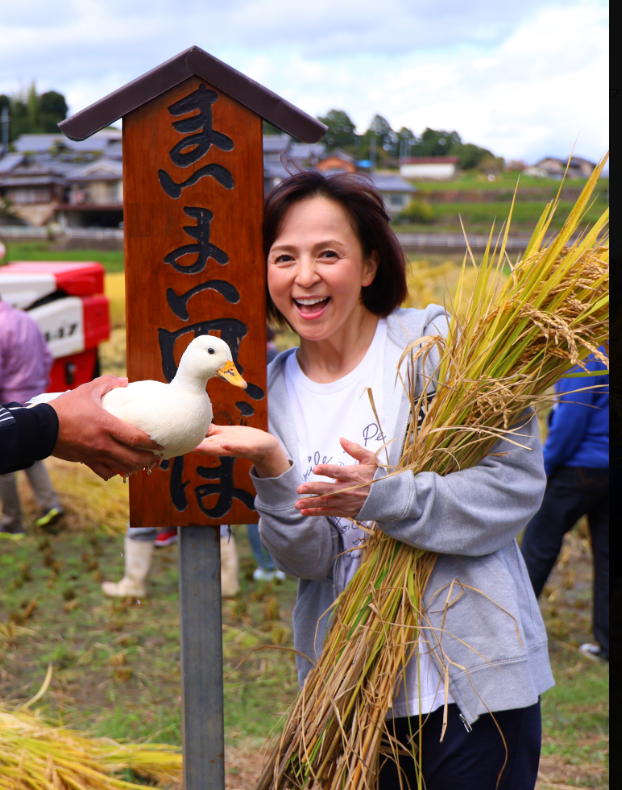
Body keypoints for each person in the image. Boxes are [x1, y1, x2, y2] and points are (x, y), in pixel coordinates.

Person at [195, 171, 552, 789]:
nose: (304, 276)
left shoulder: (436, 350)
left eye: (328, 253)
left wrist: (382, 496)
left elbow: (514, 489)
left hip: (474, 690)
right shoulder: (267, 396)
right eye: (284, 258)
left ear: (368, 267)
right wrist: (276, 473)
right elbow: (307, 562)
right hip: (351, 700)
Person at [521, 350, 609, 662]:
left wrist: (544, 467)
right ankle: (608, 644)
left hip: (578, 468)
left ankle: (513, 631)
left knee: (537, 546)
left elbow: (571, 420)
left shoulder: (587, 354)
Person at [1, 375, 162, 478]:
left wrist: (47, 424)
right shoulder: (31, 324)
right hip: (34, 390)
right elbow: (46, 356)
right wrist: (49, 425)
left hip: (17, 398)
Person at [0, 296, 64, 533]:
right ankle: (51, 505)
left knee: (6, 454)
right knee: (32, 450)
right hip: (35, 396)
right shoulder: (26, 319)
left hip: (8, 398)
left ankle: (12, 522)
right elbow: (47, 356)